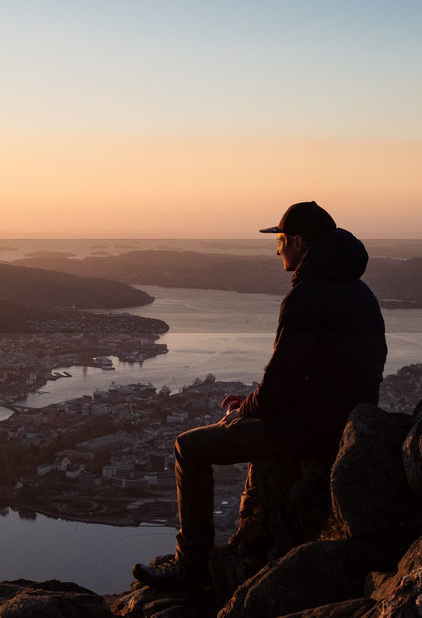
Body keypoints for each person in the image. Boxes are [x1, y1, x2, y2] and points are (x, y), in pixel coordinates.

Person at [133, 201, 387, 591]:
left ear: (300, 243)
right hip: (349, 421)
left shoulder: (305, 296)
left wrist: (246, 410)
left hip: (308, 429)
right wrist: (254, 404)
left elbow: (279, 384)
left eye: (282, 240)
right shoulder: (361, 292)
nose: (278, 250)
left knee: (189, 448)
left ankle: (192, 568)